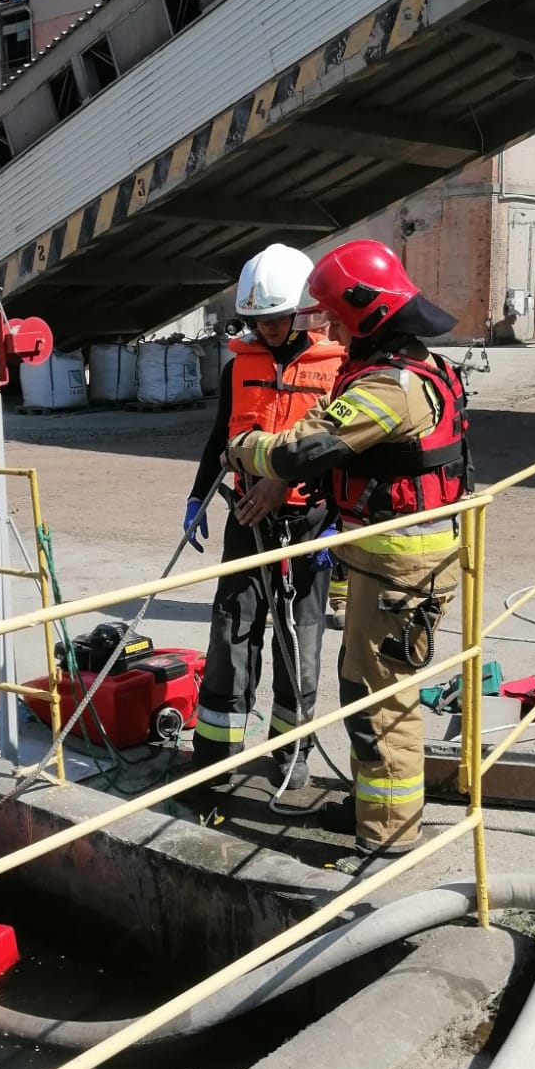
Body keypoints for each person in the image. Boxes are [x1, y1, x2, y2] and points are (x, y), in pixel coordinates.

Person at [227, 240, 471, 861]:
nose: (330, 330)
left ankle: (386, 837)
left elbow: (302, 449)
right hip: (391, 565)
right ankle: (374, 806)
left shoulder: (390, 386)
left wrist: (244, 449)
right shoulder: (413, 366)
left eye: (336, 317)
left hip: (400, 571)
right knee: (364, 686)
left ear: (369, 313)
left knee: (381, 701)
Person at [185, 244, 346, 788]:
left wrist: (332, 522)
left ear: (301, 311)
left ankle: (291, 753)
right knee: (231, 629)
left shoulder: (337, 369)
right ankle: (215, 752)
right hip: (247, 518)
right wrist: (197, 497)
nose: (269, 329)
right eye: (259, 320)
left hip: (310, 523)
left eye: (278, 318)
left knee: (300, 641)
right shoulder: (239, 367)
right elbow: (219, 439)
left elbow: (345, 452)